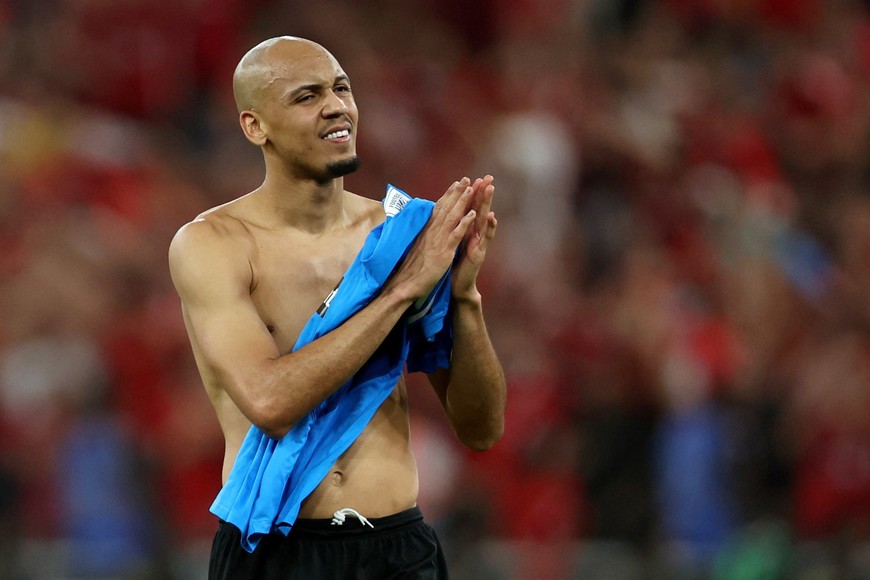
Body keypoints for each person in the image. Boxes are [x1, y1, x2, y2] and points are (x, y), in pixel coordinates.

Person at [168, 36, 506, 579]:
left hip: (399, 548)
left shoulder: (400, 238)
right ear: (256, 127)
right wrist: (398, 293)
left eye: (341, 88)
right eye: (307, 96)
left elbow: (481, 428)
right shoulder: (214, 244)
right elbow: (270, 400)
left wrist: (464, 296)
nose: (336, 106)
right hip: (277, 547)